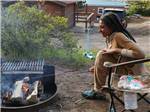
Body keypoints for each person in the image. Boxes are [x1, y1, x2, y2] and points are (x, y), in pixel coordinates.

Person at [82, 12, 145, 100]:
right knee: (102, 54)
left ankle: (98, 91)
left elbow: (141, 54)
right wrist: (97, 66)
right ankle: (99, 90)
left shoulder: (118, 36)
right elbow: (109, 56)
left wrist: (116, 50)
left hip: (133, 75)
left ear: (111, 26)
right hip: (123, 67)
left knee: (101, 54)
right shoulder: (110, 36)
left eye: (102, 27)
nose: (99, 30)